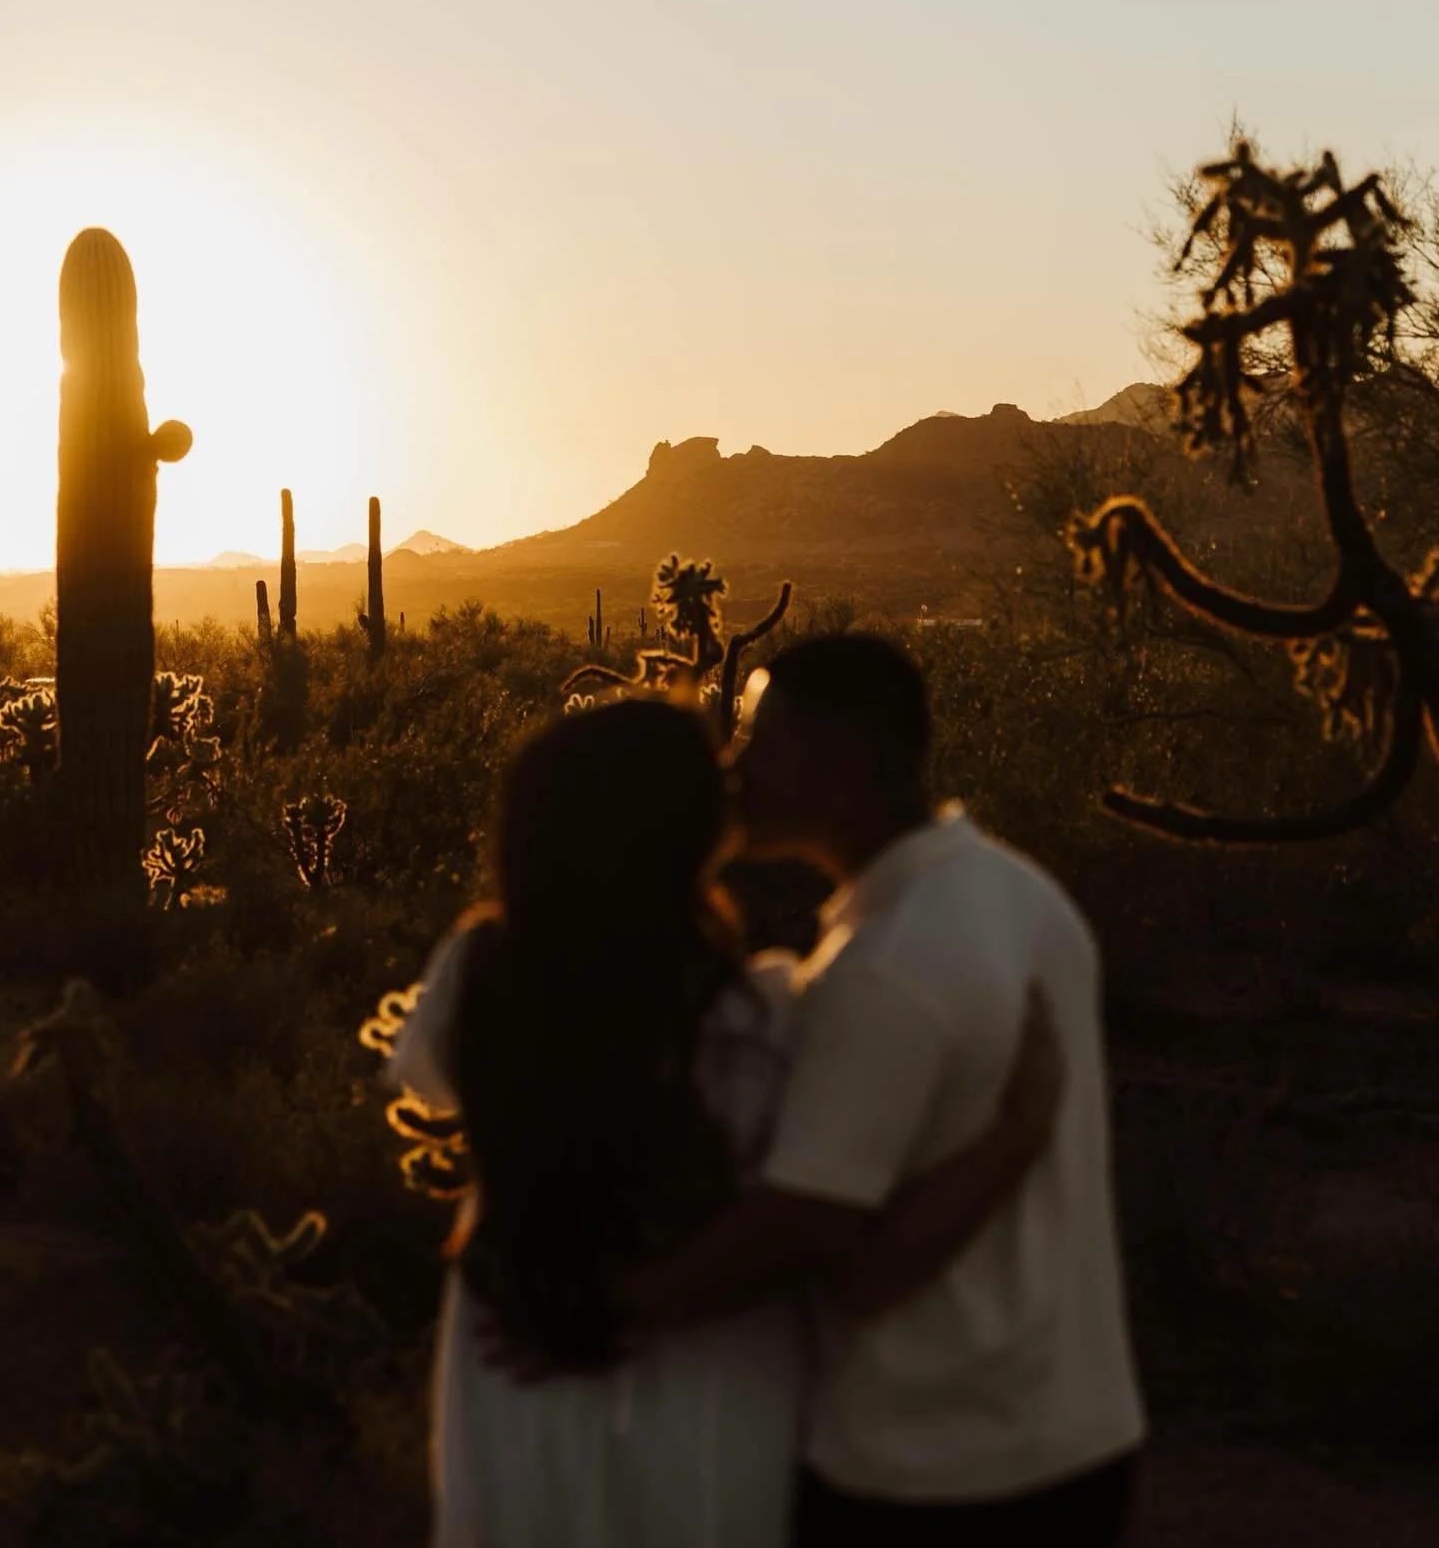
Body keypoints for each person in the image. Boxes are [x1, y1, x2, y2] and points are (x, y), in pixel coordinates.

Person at [383, 694, 1064, 1548]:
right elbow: (833, 1220)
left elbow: (446, 1088)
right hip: (711, 1374)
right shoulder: (762, 1024)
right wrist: (1024, 1128)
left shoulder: (475, 975)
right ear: (686, 830)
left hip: (517, 1350)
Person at [620, 635, 1147, 1546]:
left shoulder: (885, 969)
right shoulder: (1024, 895)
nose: (733, 766)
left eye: (759, 741)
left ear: (843, 766)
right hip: (1078, 1435)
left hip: (932, 1473)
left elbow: (818, 1239)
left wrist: (609, 1310)